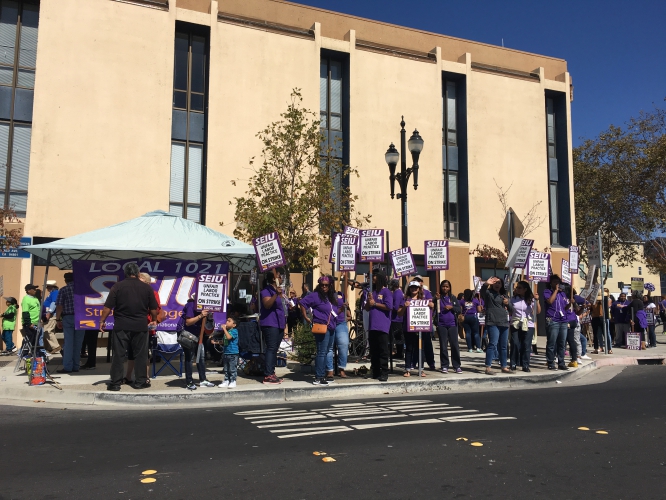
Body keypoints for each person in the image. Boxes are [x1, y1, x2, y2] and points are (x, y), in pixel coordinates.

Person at [99, 263, 158, 391]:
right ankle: (140, 381)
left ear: (125, 274)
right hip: (140, 326)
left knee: (118, 355)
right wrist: (154, 320)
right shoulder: (146, 288)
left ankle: (115, 383)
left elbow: (107, 307)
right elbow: (153, 308)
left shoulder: (117, 286)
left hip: (121, 325)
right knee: (140, 355)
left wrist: (102, 321)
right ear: (137, 274)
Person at [300, 275, 337, 386]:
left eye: (326, 285)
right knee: (321, 352)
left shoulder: (330, 297)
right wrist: (306, 317)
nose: (324, 287)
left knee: (326, 352)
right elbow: (302, 303)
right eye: (322, 285)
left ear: (330, 286)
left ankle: (323, 374)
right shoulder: (315, 296)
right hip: (321, 327)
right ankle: (319, 377)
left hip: (331, 327)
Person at [365, 270, 393, 381]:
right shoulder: (372, 292)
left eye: (374, 276)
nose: (372, 278)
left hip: (382, 325)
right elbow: (367, 308)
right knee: (374, 350)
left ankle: (384, 372)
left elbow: (389, 306)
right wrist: (369, 301)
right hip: (372, 325)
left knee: (383, 350)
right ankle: (375, 372)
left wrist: (375, 303)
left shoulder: (386, 292)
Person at [480, 277, 512, 375]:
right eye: (495, 283)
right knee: (492, 344)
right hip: (492, 322)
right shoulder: (488, 294)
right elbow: (482, 292)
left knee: (503, 346)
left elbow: (511, 311)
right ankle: (488, 367)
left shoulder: (504, 296)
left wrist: (508, 304)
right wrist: (486, 283)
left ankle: (504, 366)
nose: (497, 284)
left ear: (502, 285)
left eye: (499, 283)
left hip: (504, 323)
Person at [259, 272, 286, 385]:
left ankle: (272, 372)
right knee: (270, 348)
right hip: (270, 323)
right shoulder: (266, 291)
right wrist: (275, 294)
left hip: (279, 323)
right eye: (279, 276)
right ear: (273, 279)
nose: (281, 278)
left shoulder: (281, 291)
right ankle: (268, 375)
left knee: (275, 349)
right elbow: (267, 304)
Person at [52, 276, 81, 374]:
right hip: (81, 318)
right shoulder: (81, 289)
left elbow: (59, 306)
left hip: (68, 317)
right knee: (78, 343)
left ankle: (68, 366)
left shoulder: (63, 290)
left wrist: (58, 319)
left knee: (68, 343)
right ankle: (76, 365)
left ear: (65, 280)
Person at [509, 281, 540, 372]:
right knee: (515, 343)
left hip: (528, 324)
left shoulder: (532, 299)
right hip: (516, 323)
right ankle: (513, 363)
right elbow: (510, 310)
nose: (517, 289)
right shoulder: (513, 299)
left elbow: (538, 311)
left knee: (526, 345)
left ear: (525, 289)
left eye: (519, 288)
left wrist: (537, 300)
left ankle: (525, 364)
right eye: (517, 288)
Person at [399, 281, 426, 377]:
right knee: (409, 349)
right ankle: (407, 369)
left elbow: (429, 312)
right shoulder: (405, 299)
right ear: (409, 289)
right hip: (408, 328)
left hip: (420, 329)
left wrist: (431, 306)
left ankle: (421, 369)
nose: (414, 289)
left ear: (419, 289)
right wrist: (404, 307)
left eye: (416, 287)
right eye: (412, 287)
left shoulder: (423, 300)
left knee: (420, 349)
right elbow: (399, 313)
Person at [543, 274, 569, 371]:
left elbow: (565, 307)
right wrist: (556, 290)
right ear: (551, 283)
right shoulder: (547, 292)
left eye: (558, 282)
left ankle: (561, 362)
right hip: (553, 320)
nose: (557, 284)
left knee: (562, 343)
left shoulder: (563, 294)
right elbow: (550, 301)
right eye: (554, 282)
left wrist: (570, 303)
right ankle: (550, 362)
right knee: (552, 343)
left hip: (563, 320)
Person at [436, 280, 463, 373]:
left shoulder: (453, 298)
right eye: (443, 286)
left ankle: (456, 365)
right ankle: (444, 365)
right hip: (441, 324)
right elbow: (433, 307)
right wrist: (436, 299)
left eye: (447, 286)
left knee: (454, 345)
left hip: (452, 324)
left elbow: (459, 309)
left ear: (450, 288)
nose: (445, 288)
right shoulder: (438, 298)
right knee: (443, 346)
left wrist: (452, 307)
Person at [412, 275, 436, 370]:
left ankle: (431, 363)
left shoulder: (427, 293)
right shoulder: (412, 292)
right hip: (414, 323)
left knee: (427, 344)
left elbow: (431, 304)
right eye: (416, 280)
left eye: (420, 281)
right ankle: (414, 363)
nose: (418, 282)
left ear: (422, 282)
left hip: (425, 322)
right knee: (415, 345)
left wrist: (431, 304)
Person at [326, 287, 350, 378]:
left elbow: (348, 311)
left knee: (344, 344)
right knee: (329, 347)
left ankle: (341, 368)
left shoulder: (341, 295)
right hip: (329, 323)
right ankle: (329, 370)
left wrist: (346, 308)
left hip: (340, 322)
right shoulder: (324, 296)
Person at [42, 280, 61, 355]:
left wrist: (49, 312)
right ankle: (50, 347)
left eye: (48, 286)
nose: (47, 287)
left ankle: (55, 346)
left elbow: (54, 303)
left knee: (48, 330)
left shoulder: (55, 293)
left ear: (52, 287)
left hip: (52, 314)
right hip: (50, 314)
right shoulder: (52, 293)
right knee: (50, 331)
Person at [218, 316, 239, 388]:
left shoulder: (234, 331)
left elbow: (229, 337)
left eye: (229, 321)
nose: (226, 322)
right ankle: (226, 380)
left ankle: (233, 381)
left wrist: (224, 329)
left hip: (233, 353)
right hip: (226, 352)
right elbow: (225, 341)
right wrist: (217, 342)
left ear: (234, 325)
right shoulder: (227, 332)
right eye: (227, 320)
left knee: (232, 368)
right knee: (226, 368)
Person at [461, 289, 483, 353]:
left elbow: (460, 310)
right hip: (473, 316)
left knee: (468, 333)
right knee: (476, 333)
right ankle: (478, 347)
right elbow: (479, 310)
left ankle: (470, 348)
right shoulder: (475, 301)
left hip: (465, 317)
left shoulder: (462, 301)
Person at [389, 278, 405, 360]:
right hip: (398, 318)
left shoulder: (397, 293)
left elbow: (396, 307)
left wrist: (388, 306)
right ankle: (399, 352)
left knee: (395, 337)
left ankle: (399, 353)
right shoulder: (399, 293)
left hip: (396, 319)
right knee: (398, 337)